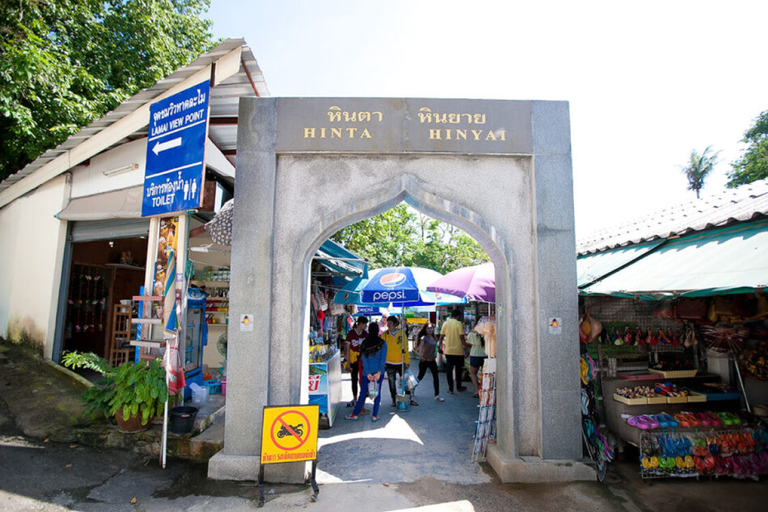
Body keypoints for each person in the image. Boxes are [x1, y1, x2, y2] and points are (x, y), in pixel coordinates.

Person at [345, 322, 387, 422]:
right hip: (378, 372)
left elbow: (364, 359)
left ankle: (355, 414)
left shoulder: (364, 343)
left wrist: (368, 373)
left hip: (366, 373)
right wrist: (379, 372)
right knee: (377, 393)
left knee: (363, 393)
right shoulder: (383, 343)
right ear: (377, 331)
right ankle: (375, 415)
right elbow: (383, 360)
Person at [382, 316, 418, 407]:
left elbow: (405, 348)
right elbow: (382, 350)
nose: (388, 325)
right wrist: (383, 362)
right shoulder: (384, 335)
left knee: (406, 382)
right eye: (387, 323)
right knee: (391, 382)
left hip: (401, 362)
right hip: (389, 362)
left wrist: (407, 361)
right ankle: (394, 400)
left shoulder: (402, 334)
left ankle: (408, 399)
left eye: (390, 323)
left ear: (395, 324)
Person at [439, 309, 467, 394]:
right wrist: (465, 348)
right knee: (458, 370)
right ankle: (458, 387)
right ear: (458, 316)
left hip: (449, 351)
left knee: (449, 370)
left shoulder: (445, 323)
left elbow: (441, 337)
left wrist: (439, 346)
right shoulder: (459, 324)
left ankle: (451, 389)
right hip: (458, 351)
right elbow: (462, 337)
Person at [414, 322, 444, 402]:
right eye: (429, 328)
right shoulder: (424, 338)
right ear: (425, 329)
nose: (431, 330)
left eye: (431, 328)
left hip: (432, 360)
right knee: (420, 376)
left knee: (436, 377)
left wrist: (439, 350)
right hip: (424, 360)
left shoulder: (434, 338)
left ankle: (437, 395)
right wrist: (420, 356)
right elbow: (420, 348)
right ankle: (411, 387)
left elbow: (435, 347)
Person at [344, 316, 368, 410]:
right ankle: (354, 398)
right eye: (365, 324)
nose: (366, 326)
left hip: (363, 361)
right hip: (353, 360)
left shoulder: (366, 334)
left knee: (363, 380)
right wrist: (348, 362)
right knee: (354, 379)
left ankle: (362, 398)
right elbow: (347, 348)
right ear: (360, 324)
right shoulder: (351, 333)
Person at [467, 322, 487, 398]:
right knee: (484, 374)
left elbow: (468, 343)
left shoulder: (472, 333)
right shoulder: (488, 332)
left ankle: (477, 390)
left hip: (475, 355)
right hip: (485, 355)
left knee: (473, 373)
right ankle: (484, 390)